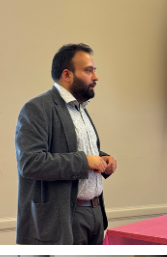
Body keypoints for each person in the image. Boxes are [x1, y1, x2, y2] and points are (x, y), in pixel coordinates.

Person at [16, 43, 118, 245]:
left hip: (96, 213)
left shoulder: (80, 109)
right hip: (62, 218)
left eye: (94, 71)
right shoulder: (36, 108)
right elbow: (30, 162)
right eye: (89, 71)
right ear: (67, 75)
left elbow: (75, 150)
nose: (95, 77)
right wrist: (85, 162)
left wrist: (102, 159)